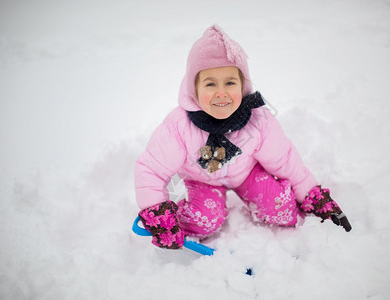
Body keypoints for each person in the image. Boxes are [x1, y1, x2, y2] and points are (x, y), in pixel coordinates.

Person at [135, 25, 351, 249]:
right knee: (205, 220)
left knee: (280, 208)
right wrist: (159, 217)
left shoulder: (257, 121)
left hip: (247, 174)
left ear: (243, 85)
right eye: (210, 84)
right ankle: (177, 223)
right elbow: (150, 169)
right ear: (194, 89)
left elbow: (286, 161)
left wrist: (312, 196)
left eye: (230, 82)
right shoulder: (180, 126)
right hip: (201, 180)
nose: (221, 93)